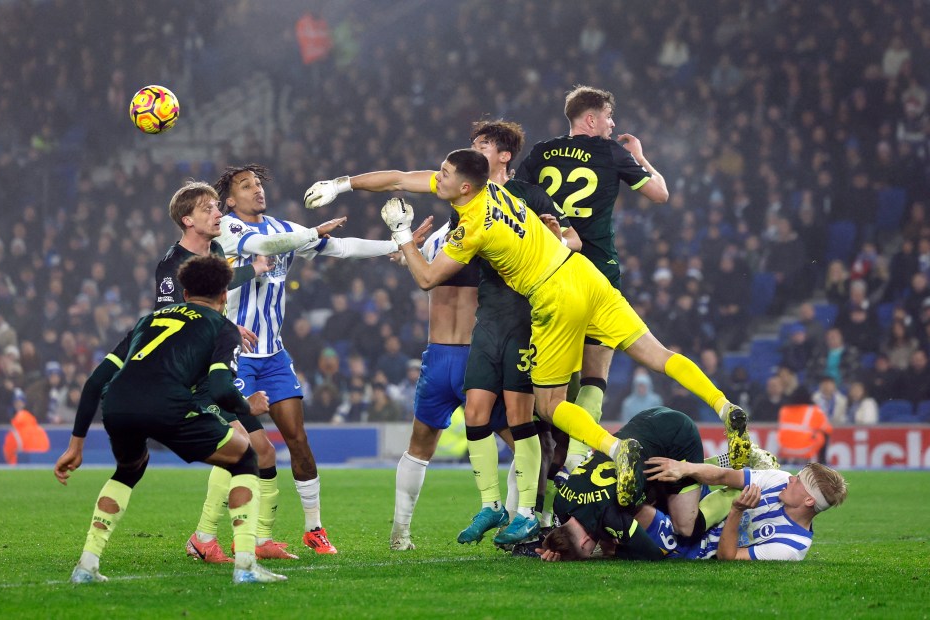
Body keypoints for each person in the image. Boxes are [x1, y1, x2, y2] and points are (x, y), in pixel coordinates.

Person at [378, 149, 750, 506]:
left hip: (554, 295)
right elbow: (412, 180)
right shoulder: (494, 191)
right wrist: (346, 184)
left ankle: (618, 450)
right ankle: (724, 405)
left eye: (444, 173)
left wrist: (402, 233)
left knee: (550, 405)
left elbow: (427, 279)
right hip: (584, 273)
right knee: (659, 355)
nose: (436, 177)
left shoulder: (472, 225)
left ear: (465, 187)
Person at [305, 120, 581, 547]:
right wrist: (342, 185)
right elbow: (398, 179)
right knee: (423, 443)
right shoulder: (455, 218)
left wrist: (555, 239)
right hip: (441, 355)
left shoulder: (521, 203)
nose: (471, 151)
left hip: (488, 347)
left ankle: (527, 519)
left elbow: (569, 242)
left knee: (527, 437)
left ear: (504, 156)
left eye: (483, 145)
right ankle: (402, 534)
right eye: (471, 146)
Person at [215, 163, 429, 554]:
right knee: (246, 447)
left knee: (298, 440)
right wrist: (311, 233)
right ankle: (220, 534)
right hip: (234, 354)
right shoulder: (227, 227)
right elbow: (262, 249)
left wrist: (397, 246)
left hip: (275, 356)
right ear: (230, 199)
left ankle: (313, 528)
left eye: (259, 183)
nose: (256, 190)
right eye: (246, 186)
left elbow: (342, 248)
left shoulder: (285, 229)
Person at [53, 255, 286, 584]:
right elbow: (220, 387)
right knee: (245, 456)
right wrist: (248, 407)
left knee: (128, 470)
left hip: (117, 404)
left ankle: (87, 565)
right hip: (166, 403)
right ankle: (245, 566)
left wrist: (75, 445)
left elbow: (94, 382)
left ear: (186, 294)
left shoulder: (149, 319)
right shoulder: (223, 326)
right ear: (223, 297)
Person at [155, 180, 340, 562]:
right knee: (243, 451)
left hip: (217, 367)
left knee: (261, 453)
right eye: (208, 209)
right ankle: (205, 537)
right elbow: (172, 316)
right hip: (194, 374)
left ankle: (253, 539)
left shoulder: (214, 253)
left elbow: (214, 295)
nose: (217, 214)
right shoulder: (171, 266)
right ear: (188, 219)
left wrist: (234, 314)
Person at [514, 85, 671, 477]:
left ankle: (546, 462)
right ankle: (577, 458)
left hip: (547, 273)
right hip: (597, 270)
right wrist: (641, 157)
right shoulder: (612, 152)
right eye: (607, 116)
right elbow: (659, 193)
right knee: (595, 371)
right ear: (590, 119)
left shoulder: (540, 153)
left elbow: (514, 199)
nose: (612, 123)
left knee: (552, 380)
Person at [533, 407, 713, 562]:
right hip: (645, 420)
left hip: (677, 437)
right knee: (635, 498)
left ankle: (734, 486)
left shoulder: (609, 516)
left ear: (584, 543)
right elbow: (563, 531)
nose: (592, 551)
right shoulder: (561, 503)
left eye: (589, 552)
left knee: (685, 526)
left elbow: (652, 554)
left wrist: (612, 551)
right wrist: (553, 544)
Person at [643, 457, 847, 560]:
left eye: (799, 481)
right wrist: (685, 468)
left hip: (697, 547)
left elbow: (727, 557)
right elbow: (724, 476)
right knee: (660, 471)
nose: (791, 478)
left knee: (640, 512)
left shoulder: (790, 547)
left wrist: (737, 511)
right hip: (705, 506)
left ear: (809, 501)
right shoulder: (780, 479)